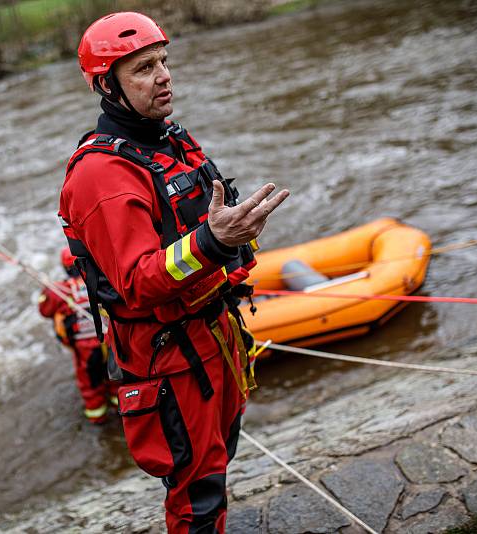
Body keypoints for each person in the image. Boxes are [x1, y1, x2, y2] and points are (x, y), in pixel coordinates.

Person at [58, 11, 289, 532]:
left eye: (163, 62)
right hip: (171, 359)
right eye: (142, 68)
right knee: (196, 493)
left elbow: (202, 227)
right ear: (107, 85)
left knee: (217, 465)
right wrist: (214, 240)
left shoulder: (172, 141)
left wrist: (235, 233)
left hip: (216, 334)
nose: (163, 75)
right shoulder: (102, 175)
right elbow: (137, 282)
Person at [38, 247, 117, 424]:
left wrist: (47, 289)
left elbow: (44, 310)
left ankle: (98, 419)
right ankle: (120, 408)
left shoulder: (60, 291)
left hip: (85, 350)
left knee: (90, 385)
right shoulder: (101, 280)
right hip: (109, 341)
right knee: (115, 377)